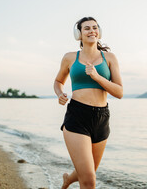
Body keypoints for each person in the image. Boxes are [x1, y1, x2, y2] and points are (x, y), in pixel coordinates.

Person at [54, 16, 123, 189]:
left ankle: (68, 180)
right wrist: (60, 93)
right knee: (89, 180)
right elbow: (58, 81)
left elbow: (119, 92)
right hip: (77, 116)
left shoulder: (110, 58)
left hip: (101, 117)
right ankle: (70, 180)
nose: (92, 31)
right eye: (87, 28)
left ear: (99, 32)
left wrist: (97, 77)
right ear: (79, 34)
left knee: (88, 171)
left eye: (94, 27)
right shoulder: (70, 57)